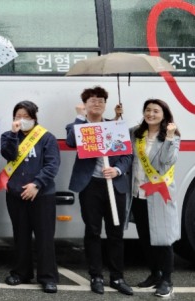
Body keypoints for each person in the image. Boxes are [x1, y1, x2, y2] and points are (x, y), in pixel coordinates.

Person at [65, 86, 133, 295]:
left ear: (106, 105)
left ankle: (117, 277)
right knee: (92, 231)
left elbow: (127, 156)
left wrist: (117, 170)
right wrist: (79, 118)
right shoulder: (77, 126)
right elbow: (71, 142)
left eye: (101, 100)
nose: (97, 103)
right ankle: (96, 276)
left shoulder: (115, 127)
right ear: (84, 105)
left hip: (115, 184)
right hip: (90, 185)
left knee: (116, 232)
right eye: (92, 100)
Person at [0, 100, 60, 293]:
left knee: (44, 237)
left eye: (26, 116)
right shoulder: (8, 136)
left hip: (41, 195)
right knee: (21, 236)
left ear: (34, 117)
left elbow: (52, 165)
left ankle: (48, 277)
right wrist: (13, 134)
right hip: (16, 194)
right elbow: (8, 154)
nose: (22, 120)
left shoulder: (47, 138)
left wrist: (37, 184)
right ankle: (21, 273)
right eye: (18, 116)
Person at [126, 99, 180, 297]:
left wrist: (169, 138)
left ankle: (167, 279)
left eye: (156, 111)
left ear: (164, 114)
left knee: (163, 239)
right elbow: (114, 132)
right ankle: (154, 274)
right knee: (146, 238)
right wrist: (117, 116)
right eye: (147, 110)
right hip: (139, 194)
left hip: (159, 194)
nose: (150, 114)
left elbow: (167, 162)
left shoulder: (172, 137)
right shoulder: (136, 133)